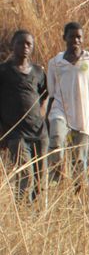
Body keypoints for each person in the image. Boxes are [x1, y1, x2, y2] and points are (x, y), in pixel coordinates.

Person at [47, 21, 89, 181]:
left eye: (79, 37)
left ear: (83, 39)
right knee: (56, 144)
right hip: (60, 112)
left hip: (82, 116)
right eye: (72, 36)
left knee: (79, 161)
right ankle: (55, 182)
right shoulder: (55, 63)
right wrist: (47, 119)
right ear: (64, 37)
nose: (76, 40)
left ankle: (77, 196)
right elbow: (52, 95)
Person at [0, 30, 48, 200]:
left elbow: (45, 95)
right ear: (13, 44)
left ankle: (36, 215)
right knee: (25, 176)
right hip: (16, 134)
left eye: (29, 44)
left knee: (40, 181)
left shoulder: (37, 71)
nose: (25, 47)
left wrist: (41, 114)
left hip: (39, 133)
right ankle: (22, 213)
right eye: (21, 43)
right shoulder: (4, 71)